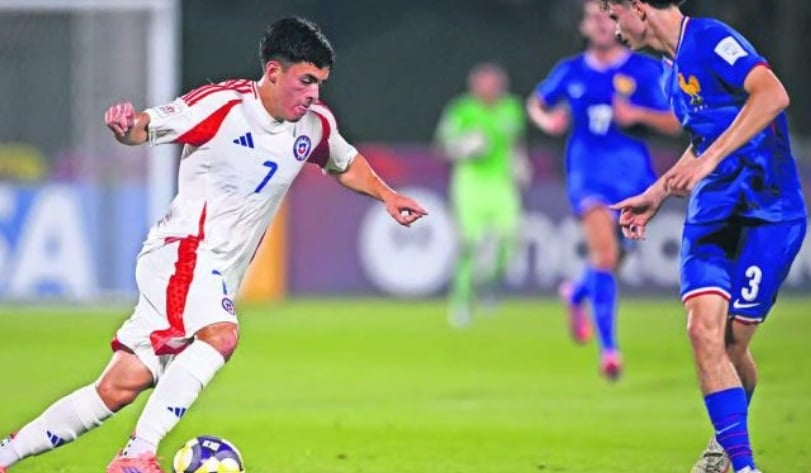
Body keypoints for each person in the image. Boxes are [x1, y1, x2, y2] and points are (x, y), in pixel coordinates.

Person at [0, 17, 426, 473]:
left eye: (320, 84)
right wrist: (127, 127)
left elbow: (344, 162)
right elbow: (149, 126)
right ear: (274, 72)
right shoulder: (223, 106)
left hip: (212, 272)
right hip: (183, 252)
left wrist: (388, 195)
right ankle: (136, 454)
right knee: (221, 335)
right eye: (305, 81)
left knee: (120, 385)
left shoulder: (314, 125)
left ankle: (5, 454)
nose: (313, 95)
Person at [603, 1, 807, 472]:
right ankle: (744, 465)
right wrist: (656, 193)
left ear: (638, 6)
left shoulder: (711, 39)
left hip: (769, 213)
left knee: (734, 345)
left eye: (615, 16)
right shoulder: (668, 71)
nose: (615, 30)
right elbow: (700, 145)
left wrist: (708, 160)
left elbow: (772, 94)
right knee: (701, 330)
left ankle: (723, 441)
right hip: (714, 213)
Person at [526, 0, 680, 380]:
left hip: (632, 175)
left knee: (613, 261)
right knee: (605, 252)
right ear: (582, 27)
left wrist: (639, 115)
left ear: (615, 23)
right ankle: (609, 350)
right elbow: (536, 103)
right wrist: (548, 121)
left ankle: (578, 292)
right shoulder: (571, 71)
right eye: (591, 18)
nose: (598, 24)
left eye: (604, 17)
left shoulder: (641, 69)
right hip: (587, 174)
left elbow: (676, 121)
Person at [434, 62, 529, 329]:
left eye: (493, 84)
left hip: (502, 184)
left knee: (510, 239)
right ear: (474, 86)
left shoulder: (511, 108)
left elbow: (515, 143)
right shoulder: (462, 109)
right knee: (469, 243)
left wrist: (521, 164)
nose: (488, 89)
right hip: (470, 183)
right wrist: (464, 146)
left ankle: (486, 283)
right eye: (483, 84)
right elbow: (442, 146)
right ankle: (461, 300)